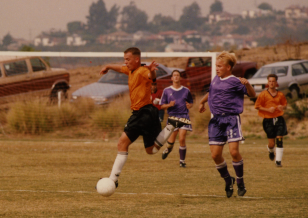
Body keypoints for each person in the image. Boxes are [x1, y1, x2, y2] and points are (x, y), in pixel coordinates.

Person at [99, 47, 187, 188]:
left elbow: (151, 77)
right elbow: (120, 68)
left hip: (142, 113)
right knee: (151, 150)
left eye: (128, 59)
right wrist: (108, 66)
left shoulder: (142, 71)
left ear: (136, 59)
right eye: (124, 59)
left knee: (122, 143)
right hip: (150, 113)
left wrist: (151, 70)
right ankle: (171, 125)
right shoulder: (130, 70)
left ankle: (113, 180)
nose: (125, 62)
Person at [199, 51, 256, 198]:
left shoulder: (235, 81)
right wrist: (202, 102)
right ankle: (227, 180)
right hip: (216, 121)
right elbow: (211, 92)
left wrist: (247, 84)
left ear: (228, 67)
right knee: (215, 155)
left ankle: (240, 182)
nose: (216, 68)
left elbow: (252, 95)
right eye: (216, 66)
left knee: (234, 152)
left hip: (231, 119)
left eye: (219, 66)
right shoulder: (215, 79)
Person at [160, 70, 193, 168]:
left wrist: (189, 105)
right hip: (172, 117)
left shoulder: (186, 90)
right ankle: (167, 150)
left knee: (182, 138)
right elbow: (162, 106)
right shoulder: (167, 90)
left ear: (180, 78)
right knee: (170, 143)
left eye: (178, 75)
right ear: (171, 78)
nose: (176, 77)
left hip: (184, 116)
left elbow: (190, 102)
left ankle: (182, 161)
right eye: (174, 75)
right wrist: (169, 105)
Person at [254, 74, 287, 167]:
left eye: (273, 81)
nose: (271, 83)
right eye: (270, 81)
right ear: (267, 82)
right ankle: (271, 151)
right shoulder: (263, 94)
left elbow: (285, 105)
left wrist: (282, 107)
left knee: (279, 139)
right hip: (268, 120)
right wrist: (267, 110)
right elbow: (257, 106)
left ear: (276, 83)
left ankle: (278, 161)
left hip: (279, 119)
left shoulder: (280, 94)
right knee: (271, 144)